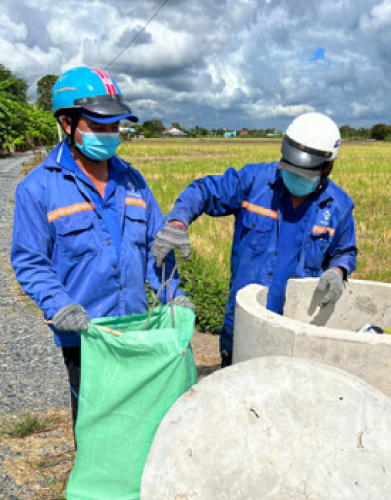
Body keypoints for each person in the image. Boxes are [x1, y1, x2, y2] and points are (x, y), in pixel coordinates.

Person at [10, 66, 193, 432]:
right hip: (86, 335)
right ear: (67, 123)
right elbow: (30, 261)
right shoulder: (38, 188)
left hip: (137, 329)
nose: (111, 134)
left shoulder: (133, 181)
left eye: (116, 125)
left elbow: (154, 253)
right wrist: (59, 305)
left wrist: (171, 292)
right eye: (100, 125)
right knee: (97, 428)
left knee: (143, 420)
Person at [151, 112, 358, 367]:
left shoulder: (337, 206)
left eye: (304, 173)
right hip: (242, 323)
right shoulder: (255, 182)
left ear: (327, 167)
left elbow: (345, 251)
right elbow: (204, 190)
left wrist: (338, 271)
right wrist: (177, 222)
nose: (294, 176)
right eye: (290, 167)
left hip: (295, 329)